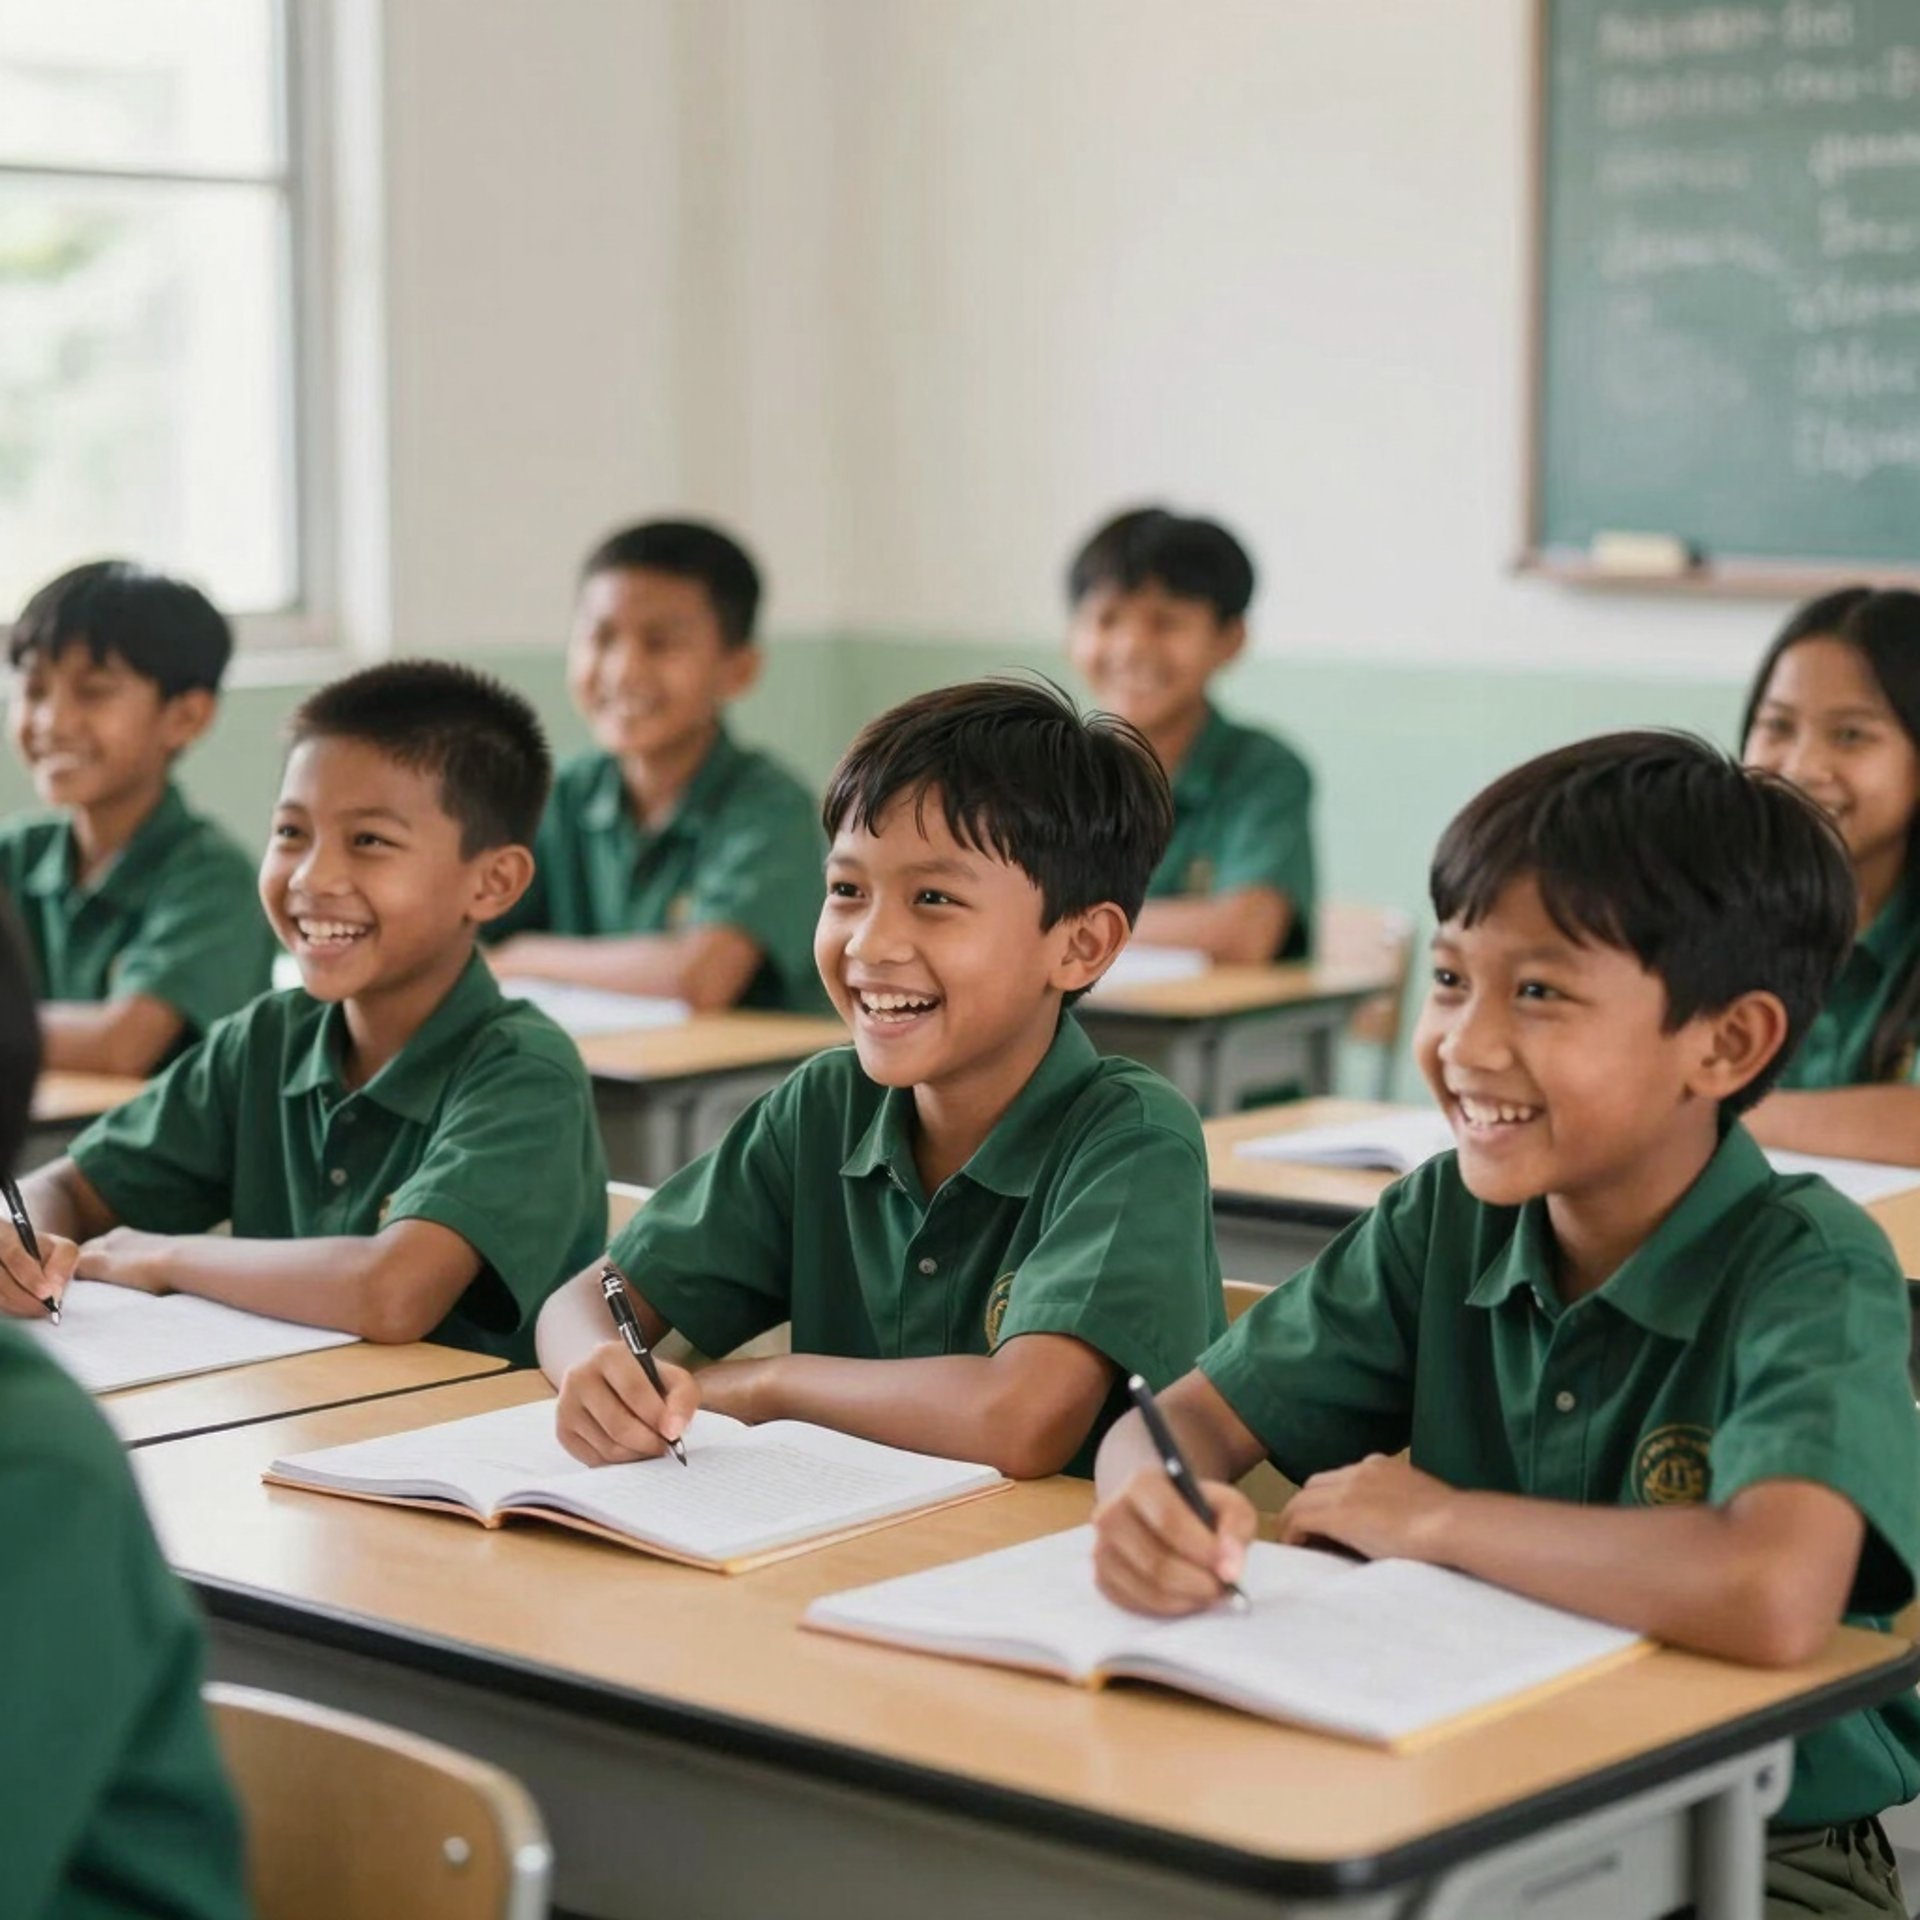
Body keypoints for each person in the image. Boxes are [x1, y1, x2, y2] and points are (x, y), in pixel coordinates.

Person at [1093, 731, 1920, 1918]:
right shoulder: (1445, 1217)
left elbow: (1773, 1590)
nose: (1463, 1043)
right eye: (1447, 979)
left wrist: (1437, 1520)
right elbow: (1184, 1422)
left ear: (1726, 1042)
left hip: (1757, 1846)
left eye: (1538, 992)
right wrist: (1150, 1505)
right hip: (1469, 1783)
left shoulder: (1808, 1265)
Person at [536, 679, 1226, 1478]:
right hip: (829, 1553)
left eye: (933, 897)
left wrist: (768, 1387)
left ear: (1081, 945)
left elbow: (1019, 1419)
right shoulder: (824, 1107)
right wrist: (599, 1370)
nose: (870, 941)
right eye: (846, 890)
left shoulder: (1130, 1138)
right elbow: (582, 1303)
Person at [0, 661, 607, 1361]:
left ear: (493, 882)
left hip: (462, 1455)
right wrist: (22, 1240)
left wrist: (166, 1257)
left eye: (369, 841)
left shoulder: (524, 1071)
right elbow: (71, 1186)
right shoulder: (266, 1039)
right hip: (289, 1432)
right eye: (291, 833)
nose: (313, 877)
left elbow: (393, 1291)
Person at [487, 519, 829, 1011]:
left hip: (737, 1085)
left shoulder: (771, 808)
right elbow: (452, 939)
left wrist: (523, 956)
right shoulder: (555, 795)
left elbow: (700, 977)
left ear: (739, 669)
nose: (623, 670)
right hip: (598, 1076)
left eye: (660, 643)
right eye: (601, 638)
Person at [1, 560, 274, 1073]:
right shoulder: (14, 855)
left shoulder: (213, 878)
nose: (52, 722)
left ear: (185, 717)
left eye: (93, 691)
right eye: (34, 690)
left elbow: (120, 1045)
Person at [1065, 506, 1315, 961]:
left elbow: (1244, 932)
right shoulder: (1042, 768)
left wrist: (1058, 923)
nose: (1132, 647)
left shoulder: (1264, 771)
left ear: (1230, 639)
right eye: (1107, 619)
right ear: (1072, 634)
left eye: (1166, 623)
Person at [1742, 587, 1920, 1164]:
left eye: (1850, 735)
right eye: (1778, 726)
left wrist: (1713, 1112)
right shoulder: (1706, 898)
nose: (1799, 767)